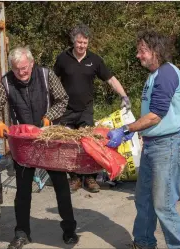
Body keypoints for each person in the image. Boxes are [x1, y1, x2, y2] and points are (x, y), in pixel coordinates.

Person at [107, 30, 180, 249]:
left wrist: (127, 129)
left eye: (142, 50)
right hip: (153, 145)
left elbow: (156, 115)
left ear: (156, 50)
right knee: (143, 199)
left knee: (163, 204)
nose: (138, 55)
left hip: (167, 146)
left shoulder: (166, 74)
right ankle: (144, 242)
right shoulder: (154, 75)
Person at [0, 47, 79, 249]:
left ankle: (69, 230)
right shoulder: (6, 82)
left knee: (61, 186)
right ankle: (22, 233)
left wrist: (49, 117)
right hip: (24, 144)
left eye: (25, 68)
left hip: (48, 138)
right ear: (12, 68)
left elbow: (63, 100)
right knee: (23, 190)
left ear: (32, 63)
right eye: (17, 69)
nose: (22, 73)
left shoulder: (46, 75)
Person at [53, 24, 131, 193]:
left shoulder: (95, 60)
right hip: (66, 110)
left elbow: (110, 79)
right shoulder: (63, 59)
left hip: (85, 110)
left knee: (90, 144)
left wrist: (124, 96)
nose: (82, 46)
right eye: (79, 42)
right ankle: (74, 178)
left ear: (88, 43)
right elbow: (53, 80)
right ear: (73, 41)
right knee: (69, 144)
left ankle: (90, 178)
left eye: (85, 43)